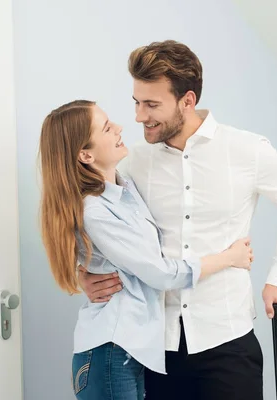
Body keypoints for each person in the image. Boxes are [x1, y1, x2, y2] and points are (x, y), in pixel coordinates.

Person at [79, 40, 277, 400]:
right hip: (157, 347)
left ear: (187, 101)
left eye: (151, 105)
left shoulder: (246, 150)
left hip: (228, 339)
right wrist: (80, 273)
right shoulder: (133, 163)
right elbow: (84, 214)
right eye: (137, 103)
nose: (139, 116)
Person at [38, 99, 255, 400]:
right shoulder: (96, 211)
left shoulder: (125, 190)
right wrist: (229, 258)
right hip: (111, 354)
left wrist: (83, 272)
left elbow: (120, 257)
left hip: (132, 353)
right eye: (106, 128)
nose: (119, 127)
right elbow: (162, 273)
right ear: (85, 154)